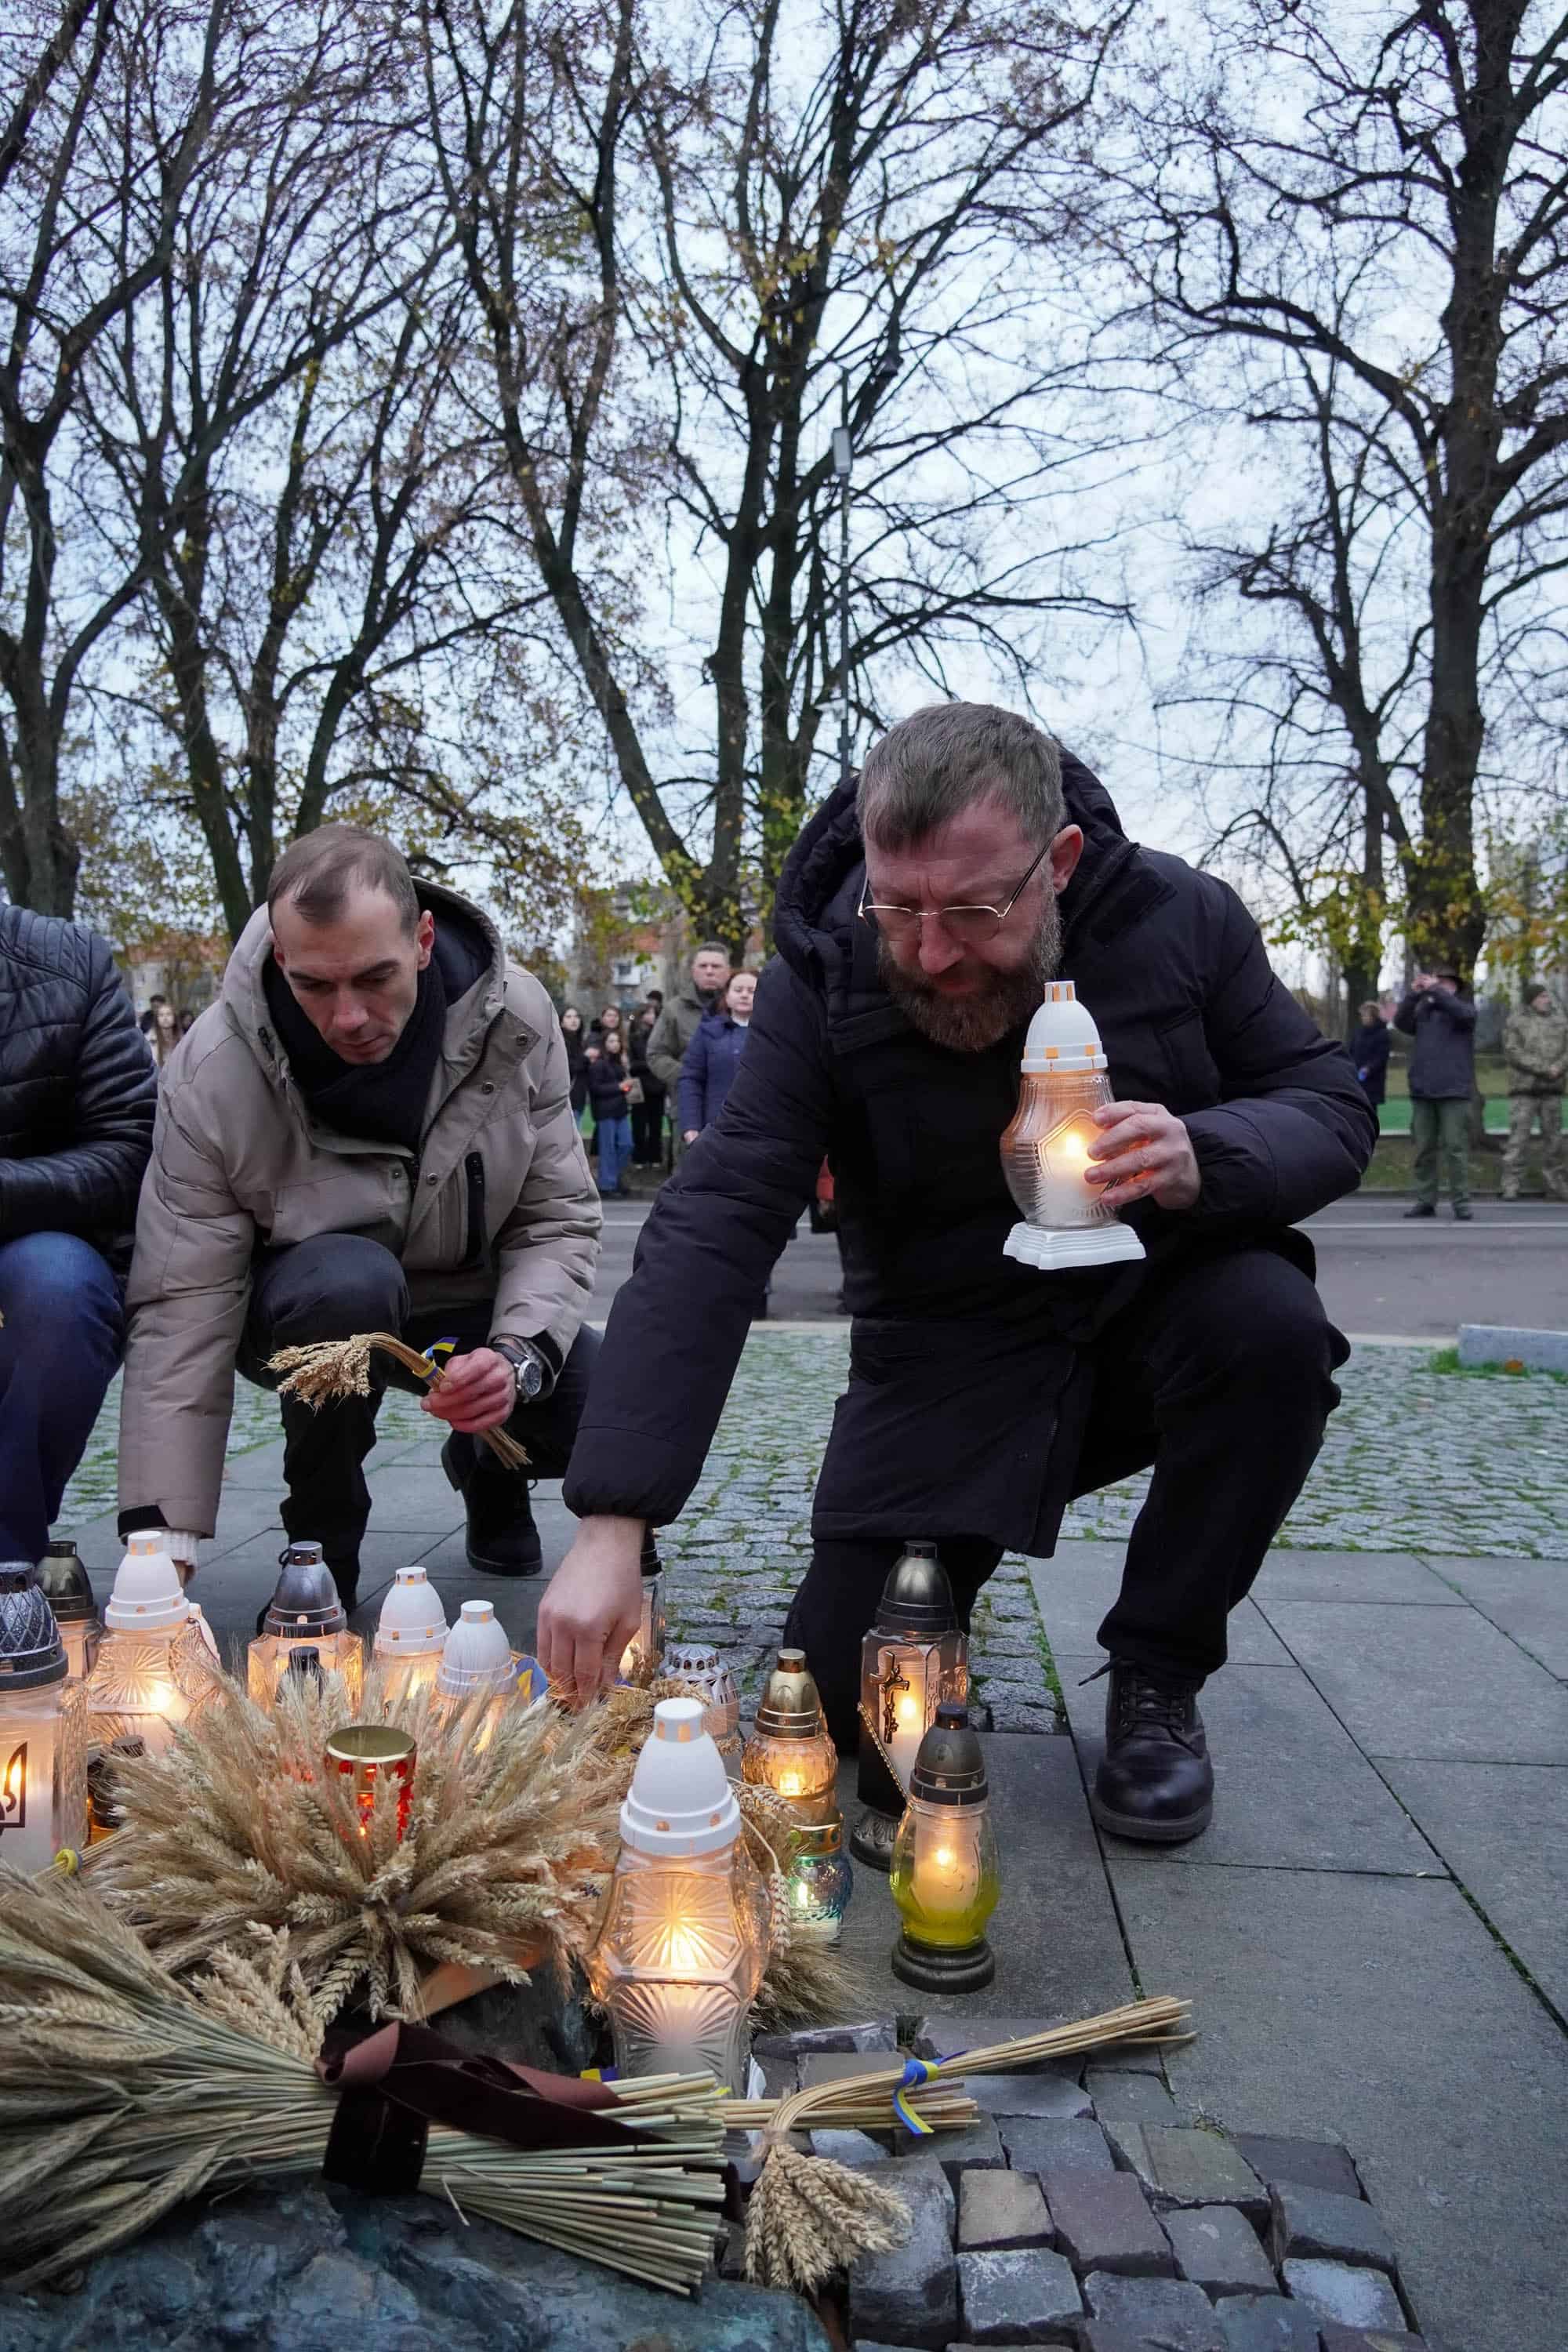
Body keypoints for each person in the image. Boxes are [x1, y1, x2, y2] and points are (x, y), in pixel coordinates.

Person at [537, 702, 1374, 1845]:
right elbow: (721, 1214)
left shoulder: (1183, 918)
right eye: (901, 907)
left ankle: (1158, 1673)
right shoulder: (827, 969)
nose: (930, 952)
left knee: (1269, 1327)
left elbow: (1330, 1103)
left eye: (975, 910)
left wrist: (1205, 1155)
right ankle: (933, 1597)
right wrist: (614, 1517)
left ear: (1060, 864)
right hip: (947, 1352)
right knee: (842, 1708)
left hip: (1157, 1309)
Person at [115, 824, 645, 1605]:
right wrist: (161, 1548)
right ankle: (323, 1548)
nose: (350, 1016)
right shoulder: (211, 1074)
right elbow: (182, 1303)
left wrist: (515, 1357)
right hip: (312, 1307)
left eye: (374, 978)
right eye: (315, 987)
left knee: (612, 1412)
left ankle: (488, 1468)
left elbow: (554, 1216)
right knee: (345, 1291)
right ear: (282, 962)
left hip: (469, 1302)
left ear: (424, 941)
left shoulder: (516, 1020)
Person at [0, 910, 157, 1560]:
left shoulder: (66, 961)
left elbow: (128, 1147)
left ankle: (9, 1560)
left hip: (36, 1232)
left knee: (59, 1291)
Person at [1393, 970, 1476, 1221]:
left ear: (1454, 987)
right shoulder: (1424, 1011)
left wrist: (1436, 991)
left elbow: (1464, 1014)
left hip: (1454, 1091)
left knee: (1455, 1149)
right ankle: (1425, 1201)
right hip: (1423, 1089)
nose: (1438, 986)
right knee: (1424, 1150)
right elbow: (1400, 1022)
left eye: (1444, 983)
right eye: (1437, 982)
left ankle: (1461, 1203)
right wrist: (1413, 994)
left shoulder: (1464, 1010)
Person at [647, 943, 731, 1158]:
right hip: (690, 1110)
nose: (709, 971)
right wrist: (690, 1076)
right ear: (693, 971)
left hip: (737, 1108)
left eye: (716, 966)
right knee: (690, 1180)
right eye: (703, 966)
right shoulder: (674, 1009)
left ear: (728, 971)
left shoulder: (746, 1006)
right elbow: (656, 1054)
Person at [1501, 982, 1568, 1203]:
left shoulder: (1560, 1020)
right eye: (1541, 996)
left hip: (1553, 1089)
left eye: (1547, 996)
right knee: (1518, 1140)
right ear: (1531, 1000)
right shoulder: (1517, 1021)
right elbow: (1513, 1051)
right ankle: (1511, 1185)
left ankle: (1556, 1184)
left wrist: (1559, 1066)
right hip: (1525, 1090)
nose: (1546, 1000)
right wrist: (1543, 1068)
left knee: (1555, 1141)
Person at [678, 968, 757, 1142]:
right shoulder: (708, 1032)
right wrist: (691, 1127)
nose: (744, 995)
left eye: (752, 991)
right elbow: (691, 1079)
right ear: (727, 997)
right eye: (738, 990)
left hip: (762, 1129)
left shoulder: (774, 1035)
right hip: (717, 1128)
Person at [586, 1028, 635, 1197]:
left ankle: (611, 1178)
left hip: (620, 1111)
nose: (615, 1044)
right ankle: (607, 1184)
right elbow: (595, 1088)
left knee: (626, 1144)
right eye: (611, 1041)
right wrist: (619, 1087)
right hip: (606, 1112)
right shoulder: (598, 1064)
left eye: (617, 1041)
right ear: (604, 1045)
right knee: (607, 1149)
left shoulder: (619, 1063)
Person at [629, 1004, 666, 1166]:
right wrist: (651, 1063)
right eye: (649, 1013)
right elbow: (633, 1064)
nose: (653, 1016)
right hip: (639, 1085)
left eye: (654, 1013)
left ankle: (655, 1156)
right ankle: (639, 1156)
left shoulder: (661, 1035)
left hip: (657, 1085)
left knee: (656, 1123)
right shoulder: (634, 1036)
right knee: (639, 1123)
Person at [1351, 999, 1390, 1110]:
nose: (1363, 1017)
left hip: (1373, 1081)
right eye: (1362, 1015)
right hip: (1356, 1079)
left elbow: (1381, 1057)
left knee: (1370, 1111)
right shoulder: (1358, 1032)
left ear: (1373, 1016)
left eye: (1366, 1015)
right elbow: (1351, 1050)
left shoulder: (1382, 1033)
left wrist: (1369, 1068)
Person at [561, 1004, 590, 1118]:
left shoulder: (579, 1041)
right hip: (567, 1098)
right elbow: (568, 1067)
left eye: (577, 1016)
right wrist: (586, 1058)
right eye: (569, 1017)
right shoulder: (561, 1042)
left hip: (578, 1097)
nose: (574, 1020)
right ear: (561, 1022)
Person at [140, 1000, 180, 1073]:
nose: (165, 1018)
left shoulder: (182, 1040)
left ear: (174, 1018)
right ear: (157, 1019)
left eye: (169, 1014)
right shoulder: (147, 1040)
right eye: (161, 1015)